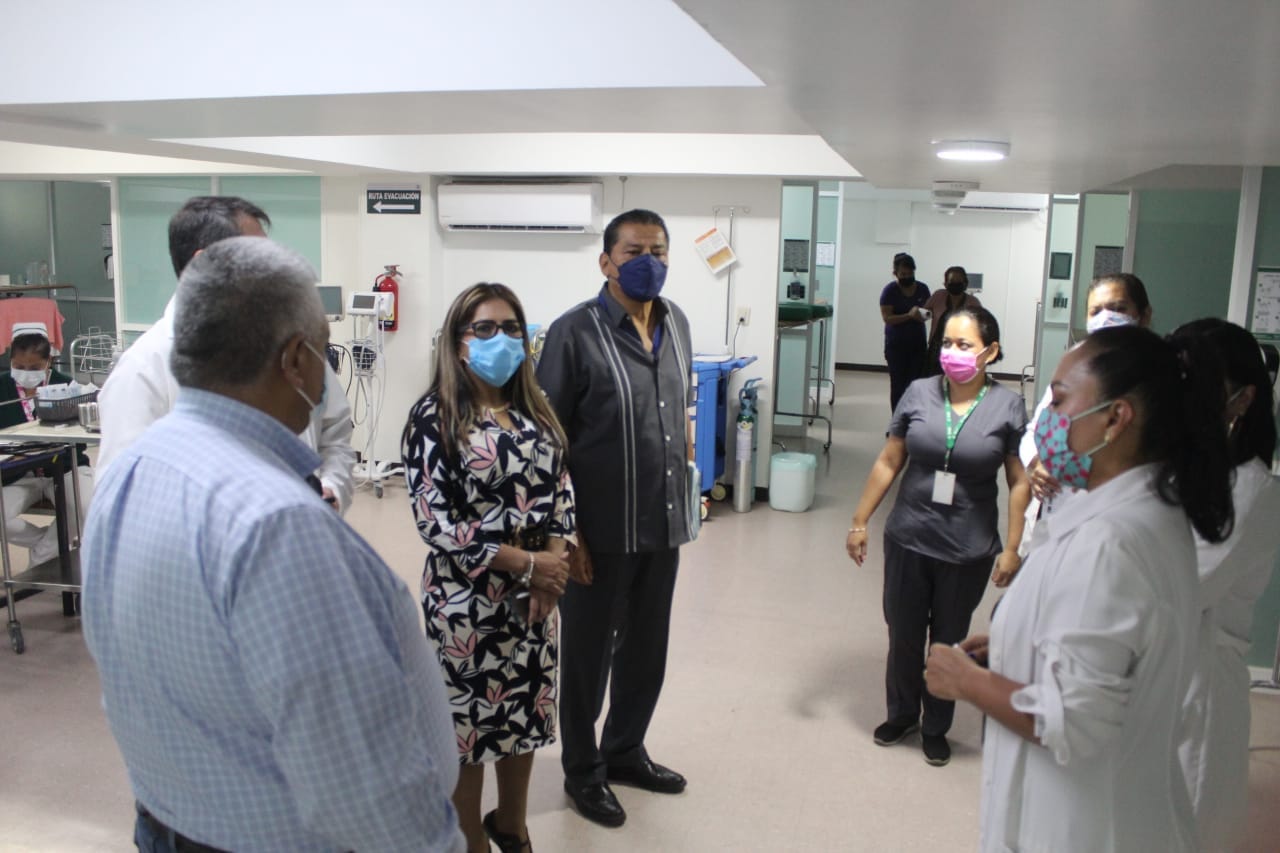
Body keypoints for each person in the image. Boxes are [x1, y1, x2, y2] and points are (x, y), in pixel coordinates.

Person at [81, 237, 463, 852]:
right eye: (323, 347)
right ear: (295, 360)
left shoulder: (133, 471)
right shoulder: (278, 524)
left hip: (170, 820)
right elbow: (359, 779)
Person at [925, 325, 1234, 853]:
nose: (1047, 417)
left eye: (1061, 399)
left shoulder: (1109, 543)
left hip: (1087, 829)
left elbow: (1073, 721)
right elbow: (1107, 642)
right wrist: (1017, 646)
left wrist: (967, 682)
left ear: (1115, 418)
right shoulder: (1140, 511)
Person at [403, 282, 575, 853]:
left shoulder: (535, 410)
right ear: (457, 343)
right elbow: (435, 520)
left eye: (510, 328)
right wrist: (526, 564)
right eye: (484, 328)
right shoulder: (434, 416)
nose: (500, 338)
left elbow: (561, 491)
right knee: (470, 731)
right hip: (466, 603)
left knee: (523, 718)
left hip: (534, 599)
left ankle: (513, 827)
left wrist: (553, 566)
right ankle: (470, 839)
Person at [536, 209, 693, 828]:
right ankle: (583, 770)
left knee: (647, 651)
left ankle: (625, 750)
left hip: (663, 524)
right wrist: (566, 533)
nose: (647, 262)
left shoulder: (676, 323)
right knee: (588, 659)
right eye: (633, 252)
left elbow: (674, 414)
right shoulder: (573, 333)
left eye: (658, 251)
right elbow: (549, 441)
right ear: (606, 262)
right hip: (597, 534)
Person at [846, 307, 1029, 767]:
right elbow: (890, 460)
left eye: (964, 345)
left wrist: (1012, 547)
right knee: (903, 635)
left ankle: (935, 726)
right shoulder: (919, 392)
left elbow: (1018, 481)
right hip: (909, 536)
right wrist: (860, 520)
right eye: (947, 343)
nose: (952, 352)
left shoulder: (1007, 406)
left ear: (990, 352)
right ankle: (902, 714)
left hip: (967, 548)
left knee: (947, 640)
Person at [96, 195, 357, 512]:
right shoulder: (143, 370)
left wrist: (332, 489)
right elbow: (123, 497)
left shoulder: (292, 344)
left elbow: (335, 433)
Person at [1170, 318, 1280, 851]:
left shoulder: (1253, 491)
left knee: (1187, 827)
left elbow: (1182, 588)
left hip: (1201, 682)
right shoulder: (1181, 468)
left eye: (1198, 384)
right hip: (1156, 670)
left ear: (1243, 399)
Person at [1020, 273, 1152, 527]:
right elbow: (1036, 428)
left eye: (1118, 308)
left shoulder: (1155, 377)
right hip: (1056, 504)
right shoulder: (1075, 362)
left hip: (1113, 511)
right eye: (1096, 311)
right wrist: (1036, 463)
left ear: (1144, 315)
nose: (1106, 318)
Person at [0, 322, 91, 567]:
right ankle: (51, 547)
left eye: (34, 368)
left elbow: (81, 439)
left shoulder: (68, 387)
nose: (26, 373)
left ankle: (41, 558)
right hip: (18, 473)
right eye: (19, 367)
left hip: (66, 467)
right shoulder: (2, 387)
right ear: (10, 361)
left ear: (48, 362)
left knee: (86, 508)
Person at [880, 252, 931, 412]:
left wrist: (922, 315)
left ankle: (912, 419)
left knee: (915, 385)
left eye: (910, 273)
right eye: (903, 274)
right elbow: (887, 318)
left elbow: (928, 313)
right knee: (898, 385)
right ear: (895, 273)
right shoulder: (890, 291)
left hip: (918, 346)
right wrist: (908, 315)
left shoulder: (922, 289)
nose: (907, 277)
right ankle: (897, 420)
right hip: (896, 346)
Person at [923, 266, 982, 376]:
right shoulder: (938, 296)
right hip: (936, 351)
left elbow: (980, 327)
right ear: (945, 284)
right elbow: (923, 313)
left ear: (965, 283)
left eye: (959, 282)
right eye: (952, 282)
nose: (955, 285)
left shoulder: (973, 302)